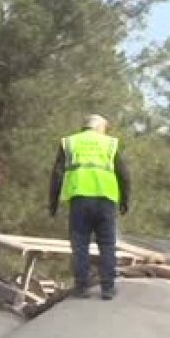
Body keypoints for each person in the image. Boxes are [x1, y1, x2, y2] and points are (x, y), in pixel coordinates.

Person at [48, 114, 132, 300]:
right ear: (100, 127)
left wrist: (52, 203)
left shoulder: (70, 142)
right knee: (108, 245)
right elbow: (124, 174)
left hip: (80, 200)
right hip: (106, 200)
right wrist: (125, 200)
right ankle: (108, 289)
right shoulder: (109, 144)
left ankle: (82, 287)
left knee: (80, 245)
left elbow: (57, 174)